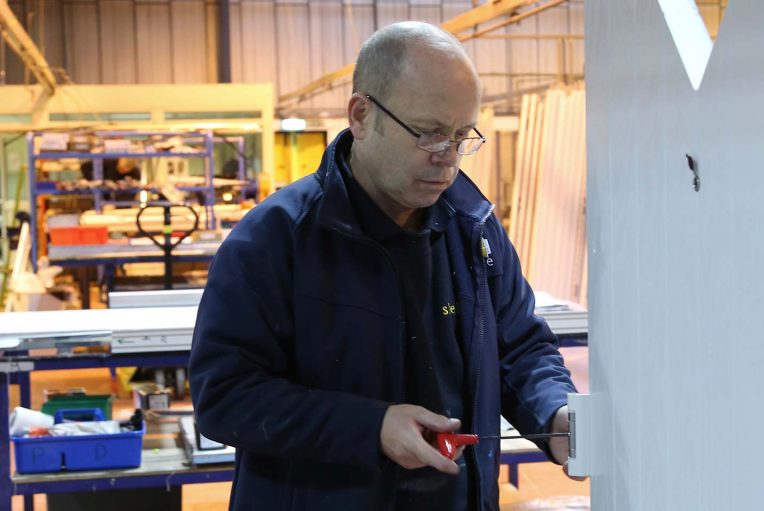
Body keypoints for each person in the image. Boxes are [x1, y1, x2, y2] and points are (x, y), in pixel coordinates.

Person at [189, 21, 579, 510]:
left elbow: (519, 348)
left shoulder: (474, 229)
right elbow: (225, 396)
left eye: (462, 136)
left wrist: (556, 411)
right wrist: (371, 426)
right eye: (429, 134)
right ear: (361, 114)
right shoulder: (276, 239)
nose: (449, 160)